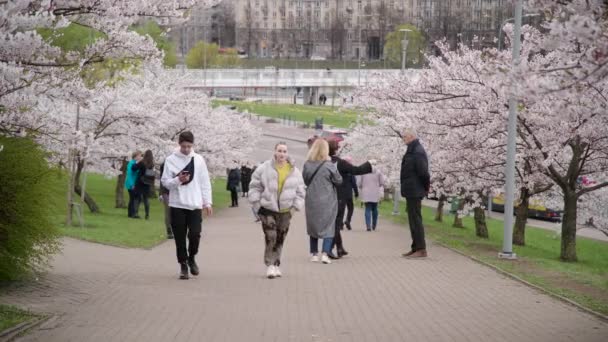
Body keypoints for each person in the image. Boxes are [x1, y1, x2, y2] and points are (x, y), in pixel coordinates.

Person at [248, 142, 305, 279]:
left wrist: (294, 208)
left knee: (280, 238)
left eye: (285, 151)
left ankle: (276, 264)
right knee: (270, 236)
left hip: (286, 211)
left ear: (287, 153)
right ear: (275, 152)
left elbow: (301, 191)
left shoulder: (294, 171)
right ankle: (270, 265)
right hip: (268, 209)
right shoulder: (263, 168)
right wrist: (256, 205)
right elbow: (254, 187)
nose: (282, 154)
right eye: (279, 151)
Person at [161, 131, 213, 279]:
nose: (186, 149)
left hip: (195, 204)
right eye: (184, 146)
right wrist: (178, 180)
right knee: (179, 237)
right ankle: (183, 265)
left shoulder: (198, 160)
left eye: (189, 146)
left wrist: (207, 202)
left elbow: (204, 182)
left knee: (195, 234)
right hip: (177, 204)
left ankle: (192, 258)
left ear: (193, 145)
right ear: (179, 144)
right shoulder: (170, 160)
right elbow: (165, 182)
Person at [328, 140, 374, 259]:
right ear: (337, 149)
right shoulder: (341, 163)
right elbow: (356, 170)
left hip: (327, 196)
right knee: (337, 223)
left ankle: (339, 247)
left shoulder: (324, 162)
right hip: (339, 196)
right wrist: (369, 163)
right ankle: (329, 249)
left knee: (334, 223)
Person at [302, 139, 342, 264]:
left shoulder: (307, 164)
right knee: (329, 225)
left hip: (312, 199)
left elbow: (305, 179)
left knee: (313, 225)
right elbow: (339, 180)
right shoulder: (329, 165)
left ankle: (314, 253)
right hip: (328, 199)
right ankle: (325, 253)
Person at [400, 128, 430, 258]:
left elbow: (423, 172)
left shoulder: (418, 152)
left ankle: (421, 249)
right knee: (412, 220)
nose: (403, 139)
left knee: (416, 220)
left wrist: (424, 188)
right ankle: (415, 247)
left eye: (405, 136)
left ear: (412, 137)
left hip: (415, 190)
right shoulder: (412, 150)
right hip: (410, 190)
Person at [132, 150, 155, 220]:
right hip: (147, 182)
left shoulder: (142, 162)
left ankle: (135, 213)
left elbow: (134, 168)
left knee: (137, 198)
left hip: (140, 181)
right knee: (146, 199)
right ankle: (147, 214)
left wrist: (136, 162)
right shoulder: (152, 164)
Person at [341, 156, 359, 231]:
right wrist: (356, 192)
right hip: (348, 193)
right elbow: (354, 183)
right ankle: (348, 220)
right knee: (350, 208)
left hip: (341, 193)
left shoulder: (339, 170)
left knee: (341, 209)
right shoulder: (351, 171)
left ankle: (340, 223)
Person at [124, 151, 142, 218]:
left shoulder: (136, 163)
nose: (140, 157)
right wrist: (132, 185)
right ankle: (132, 214)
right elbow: (130, 175)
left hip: (135, 183)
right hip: (131, 184)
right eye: (139, 156)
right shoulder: (131, 163)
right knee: (133, 198)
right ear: (136, 156)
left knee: (134, 198)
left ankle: (132, 213)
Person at [159, 161, 174, 239]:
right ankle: (169, 230)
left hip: (176, 191)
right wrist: (161, 193)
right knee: (168, 210)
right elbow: (162, 179)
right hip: (166, 192)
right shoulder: (165, 164)